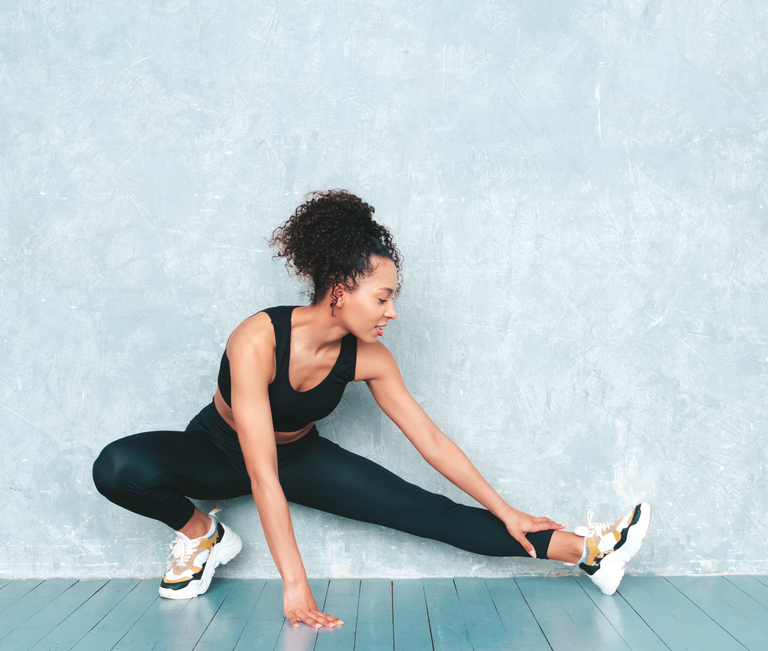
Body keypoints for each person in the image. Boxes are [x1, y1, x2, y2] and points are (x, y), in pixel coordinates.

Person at [92, 190, 651, 628]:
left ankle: (591, 551)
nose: (392, 312)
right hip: (218, 450)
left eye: (393, 299)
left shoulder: (371, 359)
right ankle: (202, 536)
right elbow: (259, 474)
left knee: (428, 512)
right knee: (118, 467)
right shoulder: (257, 340)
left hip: (300, 457)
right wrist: (294, 584)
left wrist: (506, 509)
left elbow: (430, 440)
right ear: (340, 288)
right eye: (383, 298)